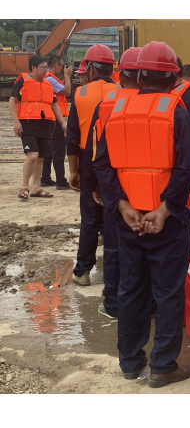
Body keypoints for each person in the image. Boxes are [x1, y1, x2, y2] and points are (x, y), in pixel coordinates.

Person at [93, 41, 190, 387]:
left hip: (129, 221)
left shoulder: (117, 111)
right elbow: (183, 170)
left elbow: (103, 165)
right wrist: (165, 211)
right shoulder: (176, 112)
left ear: (136, 75)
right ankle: (164, 365)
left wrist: (122, 207)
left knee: (131, 289)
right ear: (174, 77)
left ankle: (130, 363)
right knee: (167, 292)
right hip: (166, 222)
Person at [86, 47, 142, 319]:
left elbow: (94, 152)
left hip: (115, 189)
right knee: (149, 250)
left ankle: (113, 304)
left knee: (114, 248)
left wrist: (96, 187)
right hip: (152, 193)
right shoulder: (168, 105)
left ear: (121, 74)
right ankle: (149, 305)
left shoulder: (108, 104)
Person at [66, 44, 119, 286]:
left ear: (92, 69)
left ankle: (83, 271)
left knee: (89, 219)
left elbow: (73, 136)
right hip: (117, 160)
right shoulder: (122, 92)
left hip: (88, 160)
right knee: (113, 216)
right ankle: (114, 274)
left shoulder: (80, 94)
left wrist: (73, 170)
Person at [9, 55, 64, 199]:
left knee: (41, 157)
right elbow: (12, 102)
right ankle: (24, 187)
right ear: (33, 68)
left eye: (46, 67)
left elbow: (54, 104)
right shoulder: (22, 82)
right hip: (27, 124)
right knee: (32, 156)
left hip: (45, 124)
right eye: (43, 68)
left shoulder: (47, 84)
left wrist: (63, 123)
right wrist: (16, 122)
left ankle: (36, 188)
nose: (46, 70)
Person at [41, 55, 72, 189]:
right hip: (56, 119)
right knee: (58, 150)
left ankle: (45, 177)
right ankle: (61, 180)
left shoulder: (48, 79)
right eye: (61, 65)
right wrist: (68, 76)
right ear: (56, 65)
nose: (62, 68)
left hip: (51, 118)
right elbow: (67, 91)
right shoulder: (50, 79)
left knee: (49, 150)